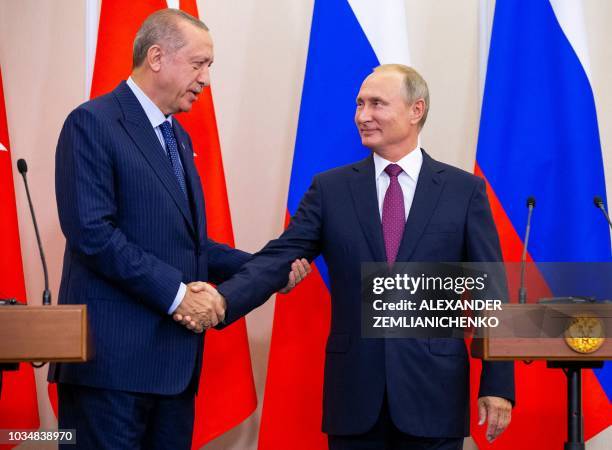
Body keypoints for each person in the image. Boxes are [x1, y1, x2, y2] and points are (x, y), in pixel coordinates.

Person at [181, 64, 515, 450]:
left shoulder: (463, 190)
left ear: (416, 110)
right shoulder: (331, 189)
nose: (362, 115)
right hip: (355, 398)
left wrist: (498, 384)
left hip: (434, 395)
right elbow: (280, 257)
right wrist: (223, 301)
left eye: (376, 104)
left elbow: (493, 292)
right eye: (359, 104)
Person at [50, 9, 309, 450]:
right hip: (111, 368)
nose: (206, 78)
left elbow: (192, 245)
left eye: (209, 66)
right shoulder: (92, 122)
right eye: (199, 63)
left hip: (173, 370)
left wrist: (267, 271)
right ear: (156, 57)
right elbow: (94, 233)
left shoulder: (179, 138)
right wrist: (178, 295)